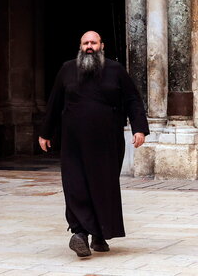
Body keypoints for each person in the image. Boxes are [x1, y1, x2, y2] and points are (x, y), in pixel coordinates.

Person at [38, 31, 150, 257]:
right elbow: (54, 102)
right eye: (85, 43)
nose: (89, 46)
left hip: (107, 142)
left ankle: (100, 234)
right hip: (73, 142)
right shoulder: (67, 69)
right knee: (75, 185)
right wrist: (45, 133)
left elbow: (132, 100)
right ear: (80, 46)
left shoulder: (115, 70)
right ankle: (80, 233)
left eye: (93, 43)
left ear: (102, 46)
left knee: (103, 187)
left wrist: (139, 128)